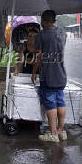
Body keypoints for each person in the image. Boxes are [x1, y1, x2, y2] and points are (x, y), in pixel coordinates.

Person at [32, 10, 67, 143]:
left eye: (41, 19)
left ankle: (52, 134)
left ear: (44, 20)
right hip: (61, 73)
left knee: (50, 103)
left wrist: (34, 72)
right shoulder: (62, 33)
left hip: (48, 74)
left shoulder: (41, 35)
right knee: (60, 101)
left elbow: (39, 56)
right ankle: (60, 131)